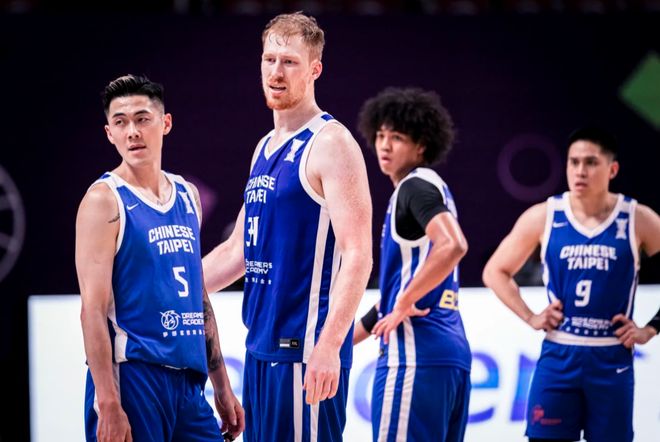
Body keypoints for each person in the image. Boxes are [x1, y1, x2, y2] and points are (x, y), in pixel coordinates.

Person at [202, 12, 373, 442]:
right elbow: (238, 251)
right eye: (269, 59)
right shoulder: (265, 146)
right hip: (260, 350)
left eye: (290, 62)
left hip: (305, 352)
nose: (276, 72)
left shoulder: (331, 143)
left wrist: (330, 345)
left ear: (315, 69)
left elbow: (358, 254)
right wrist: (164, 287)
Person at [75, 74, 244, 442]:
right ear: (109, 133)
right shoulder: (103, 200)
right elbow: (92, 310)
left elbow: (198, 296)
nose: (132, 132)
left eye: (142, 119)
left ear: (165, 123)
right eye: (121, 122)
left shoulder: (187, 195)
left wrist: (221, 385)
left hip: (188, 382)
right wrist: (108, 402)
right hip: (134, 377)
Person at [483, 127, 660, 442]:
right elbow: (495, 271)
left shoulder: (637, 218)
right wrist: (530, 316)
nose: (580, 171)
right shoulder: (545, 215)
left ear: (612, 169)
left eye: (591, 162)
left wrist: (650, 328)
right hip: (559, 353)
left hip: (611, 357)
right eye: (573, 162)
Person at [354, 87, 472, 441]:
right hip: (450, 356)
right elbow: (389, 303)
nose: (385, 145)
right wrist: (337, 345)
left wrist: (404, 302)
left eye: (397, 138)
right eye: (380, 136)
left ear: (421, 146)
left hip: (415, 356)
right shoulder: (431, 189)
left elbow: (453, 245)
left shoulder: (414, 187)